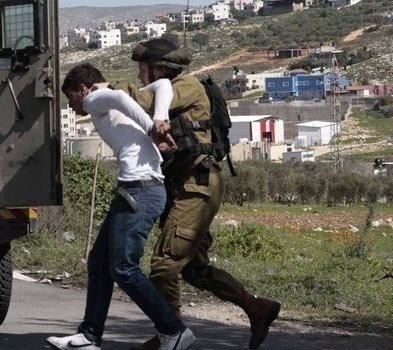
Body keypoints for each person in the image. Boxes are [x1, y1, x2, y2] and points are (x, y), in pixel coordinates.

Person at [113, 39, 281, 350]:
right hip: (185, 185)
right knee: (193, 268)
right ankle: (256, 307)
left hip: (198, 183)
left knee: (164, 266)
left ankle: (171, 333)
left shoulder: (186, 85)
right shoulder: (172, 88)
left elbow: (146, 102)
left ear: (160, 70)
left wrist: (108, 88)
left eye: (143, 70)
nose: (140, 77)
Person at [46, 63, 194, 350]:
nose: (73, 106)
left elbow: (121, 100)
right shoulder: (120, 93)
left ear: (82, 89)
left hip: (141, 189)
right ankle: (89, 336)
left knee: (123, 268)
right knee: (100, 263)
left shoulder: (95, 98)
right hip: (136, 189)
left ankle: (173, 331)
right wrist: (160, 118)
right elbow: (163, 85)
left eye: (71, 98)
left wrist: (154, 129)